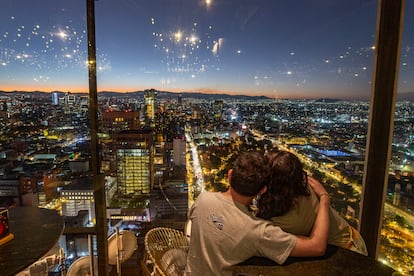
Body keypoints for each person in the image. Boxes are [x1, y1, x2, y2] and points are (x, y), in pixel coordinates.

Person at [185, 150, 331, 276]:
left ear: (230, 175)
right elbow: (317, 247)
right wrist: (324, 198)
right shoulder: (258, 231)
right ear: (262, 190)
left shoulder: (203, 199)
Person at [256, 150, 367, 256]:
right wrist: (324, 197)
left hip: (347, 251)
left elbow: (316, 247)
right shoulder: (308, 187)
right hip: (351, 240)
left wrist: (324, 198)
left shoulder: (286, 219)